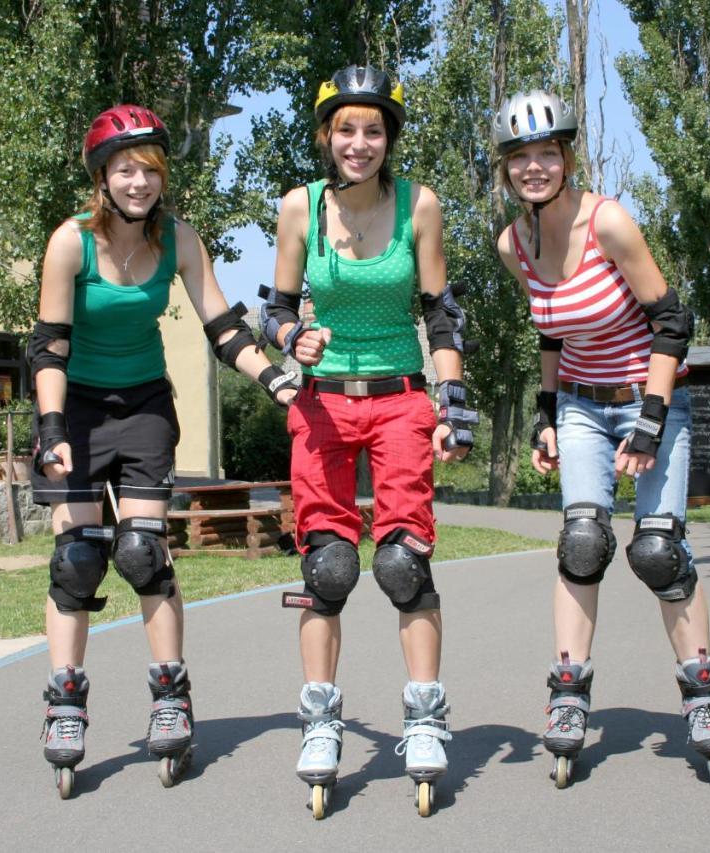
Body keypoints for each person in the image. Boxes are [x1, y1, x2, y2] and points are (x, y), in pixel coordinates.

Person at [30, 104, 298, 799]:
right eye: (124, 169)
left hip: (145, 403)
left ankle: (170, 694)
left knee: (143, 552)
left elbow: (222, 326)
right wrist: (53, 427)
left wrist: (269, 376)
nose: (138, 181)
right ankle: (65, 703)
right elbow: (48, 345)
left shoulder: (178, 238)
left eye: (149, 169)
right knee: (78, 558)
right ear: (101, 177)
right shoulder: (70, 244)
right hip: (77, 409)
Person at [492, 91, 710, 790]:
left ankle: (704, 690)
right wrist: (545, 413)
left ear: (567, 158)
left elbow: (673, 321)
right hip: (579, 403)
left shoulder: (609, 222)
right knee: (582, 541)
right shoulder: (516, 244)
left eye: (547, 153)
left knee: (658, 549)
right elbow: (549, 331)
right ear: (506, 169)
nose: (534, 167)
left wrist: (654, 417)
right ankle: (568, 692)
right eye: (520, 157)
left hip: (650, 395)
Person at [261, 65, 477, 818]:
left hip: (400, 399)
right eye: (346, 129)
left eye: (374, 130)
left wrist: (452, 401)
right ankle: (322, 719)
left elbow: (441, 314)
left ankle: (423, 713)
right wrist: (295, 336)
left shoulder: (420, 204)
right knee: (327, 566)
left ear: (390, 138)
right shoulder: (300, 207)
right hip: (322, 405)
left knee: (401, 564)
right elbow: (275, 311)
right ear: (326, 136)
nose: (360, 143)